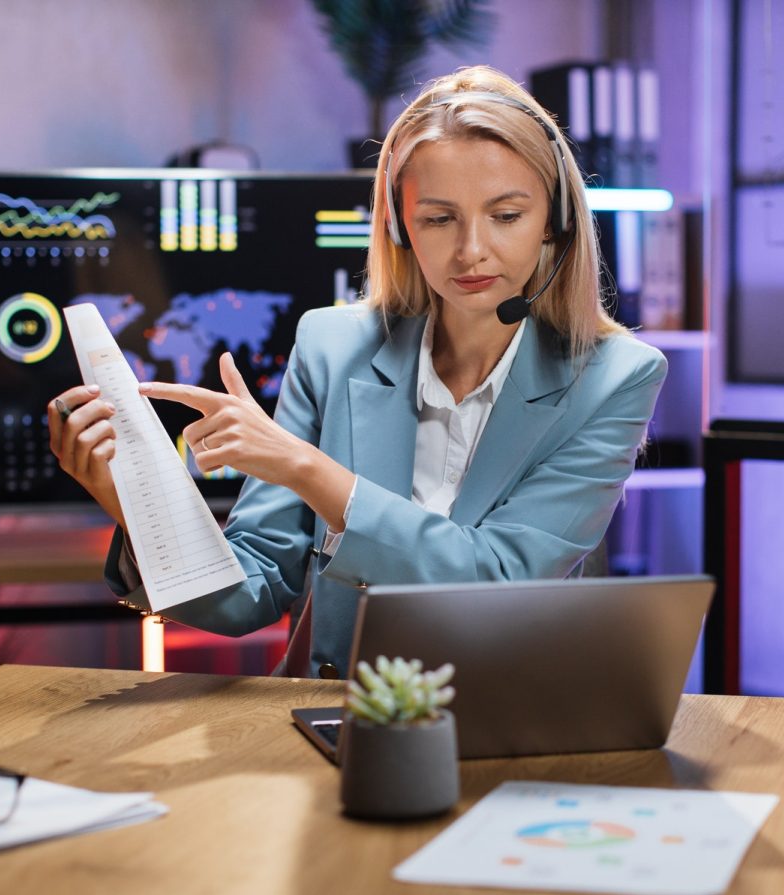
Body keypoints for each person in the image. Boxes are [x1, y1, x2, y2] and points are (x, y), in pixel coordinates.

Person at [48, 65, 668, 679]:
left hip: (509, 717)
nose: (472, 250)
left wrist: (304, 467)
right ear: (400, 227)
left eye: (506, 216)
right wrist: (134, 503)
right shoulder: (330, 345)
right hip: (337, 712)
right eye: (438, 218)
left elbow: (498, 578)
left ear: (555, 222)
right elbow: (253, 590)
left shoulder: (615, 377)